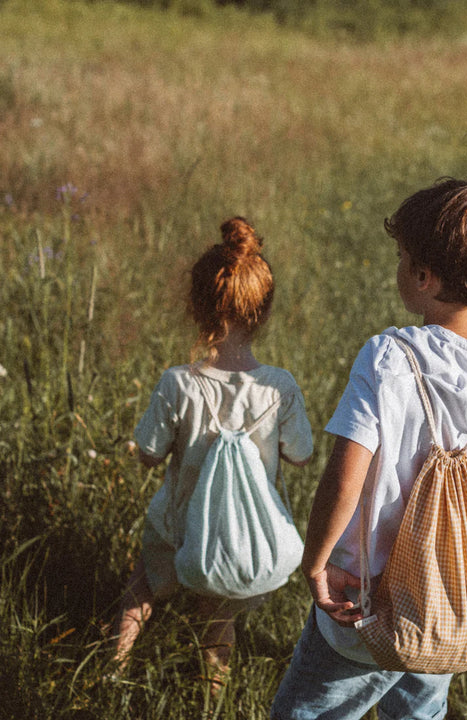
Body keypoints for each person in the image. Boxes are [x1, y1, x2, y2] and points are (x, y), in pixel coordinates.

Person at [270, 179, 467, 720]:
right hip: (448, 597)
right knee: (419, 711)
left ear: (424, 276)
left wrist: (316, 562)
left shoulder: (389, 357)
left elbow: (345, 477)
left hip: (362, 597)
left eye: (402, 258)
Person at [112, 217, 313, 689]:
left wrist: (137, 450)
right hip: (230, 535)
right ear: (263, 312)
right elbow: (301, 456)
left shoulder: (177, 383)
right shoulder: (278, 387)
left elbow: (150, 453)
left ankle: (111, 671)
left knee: (141, 590)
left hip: (177, 521)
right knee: (216, 623)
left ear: (196, 307)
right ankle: (212, 699)